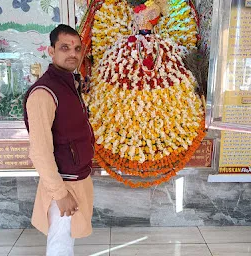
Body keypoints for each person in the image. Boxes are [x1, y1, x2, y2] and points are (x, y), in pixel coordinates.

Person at [86, 0, 205, 188]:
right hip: (126, 78)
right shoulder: (124, 44)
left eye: (147, 18)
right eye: (140, 18)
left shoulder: (164, 44)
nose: (143, 21)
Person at [23, 24, 95, 256]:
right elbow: (40, 151)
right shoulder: (44, 92)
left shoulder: (69, 85)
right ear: (51, 51)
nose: (72, 53)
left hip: (75, 180)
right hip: (62, 185)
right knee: (60, 244)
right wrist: (60, 194)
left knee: (67, 239)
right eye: (65, 47)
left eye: (76, 48)